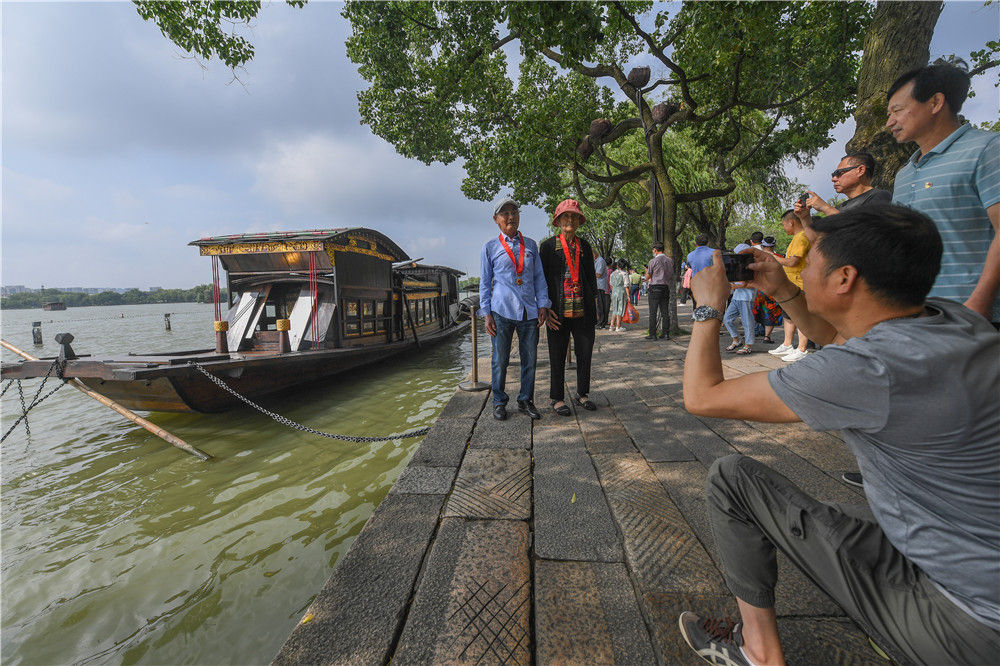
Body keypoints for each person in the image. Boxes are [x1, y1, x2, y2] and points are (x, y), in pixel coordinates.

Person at [679, 205, 1000, 666]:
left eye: (810, 262)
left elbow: (702, 396)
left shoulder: (868, 370)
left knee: (732, 480)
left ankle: (758, 652)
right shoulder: (957, 321)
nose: (800, 268)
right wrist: (784, 290)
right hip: (978, 559)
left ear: (845, 278)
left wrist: (708, 308)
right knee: (840, 512)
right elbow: (840, 336)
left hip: (968, 625)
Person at [886, 60, 999, 326]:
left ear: (936, 102)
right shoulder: (904, 174)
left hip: (974, 319)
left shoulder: (988, 149)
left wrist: (979, 303)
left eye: (897, 110)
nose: (890, 122)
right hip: (917, 317)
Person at [479, 197, 550, 421]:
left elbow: (539, 277)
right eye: (505, 213)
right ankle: (499, 401)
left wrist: (543, 304)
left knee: (530, 358)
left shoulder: (531, 245)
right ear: (496, 219)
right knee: (500, 360)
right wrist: (486, 313)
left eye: (514, 212)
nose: (511, 217)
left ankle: (525, 400)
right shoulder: (490, 247)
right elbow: (485, 283)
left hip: (529, 311)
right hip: (501, 311)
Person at [540, 199, 598, 416]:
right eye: (566, 216)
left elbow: (591, 279)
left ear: (579, 221)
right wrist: (545, 308)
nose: (570, 220)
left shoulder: (585, 246)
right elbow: (541, 280)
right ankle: (557, 398)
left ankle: (582, 393)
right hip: (557, 311)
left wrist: (595, 306)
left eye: (574, 216)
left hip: (583, 310)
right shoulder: (547, 247)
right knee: (556, 356)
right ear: (558, 220)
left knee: (585, 353)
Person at [767, 211, 810, 362]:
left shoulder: (802, 237)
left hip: (800, 284)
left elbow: (793, 262)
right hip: (791, 284)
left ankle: (802, 348)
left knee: (800, 317)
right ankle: (787, 344)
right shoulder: (796, 238)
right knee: (789, 316)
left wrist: (773, 257)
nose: (784, 228)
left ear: (791, 222)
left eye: (784, 224)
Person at [798, 151, 892, 219]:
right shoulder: (839, 208)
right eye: (833, 175)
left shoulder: (880, 196)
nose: (833, 179)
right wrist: (805, 217)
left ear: (860, 170)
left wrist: (825, 208)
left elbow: (866, 231)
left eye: (839, 173)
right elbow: (817, 239)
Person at [722, 243, 756, 355]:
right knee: (727, 319)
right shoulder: (737, 265)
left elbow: (753, 284)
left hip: (746, 298)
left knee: (747, 322)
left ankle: (748, 345)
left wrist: (736, 286)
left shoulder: (753, 266)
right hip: (736, 297)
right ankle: (736, 340)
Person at [752, 237, 783, 343]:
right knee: (771, 312)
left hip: (760, 289)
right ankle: (766, 337)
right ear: (774, 246)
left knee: (757, 310)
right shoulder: (779, 258)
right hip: (773, 289)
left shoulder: (756, 258)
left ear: (762, 246)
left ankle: (753, 332)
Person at [645, 242, 673, 339]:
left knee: (653, 312)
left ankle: (652, 334)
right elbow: (671, 274)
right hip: (665, 287)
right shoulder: (670, 261)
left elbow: (648, 276)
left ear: (655, 250)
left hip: (655, 287)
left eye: (653, 250)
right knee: (665, 312)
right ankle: (666, 333)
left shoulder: (653, 261)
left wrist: (645, 276)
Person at [608, 261, 630, 332]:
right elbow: (626, 286)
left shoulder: (613, 273)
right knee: (620, 309)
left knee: (615, 309)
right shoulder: (625, 274)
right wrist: (628, 295)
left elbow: (611, 284)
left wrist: (614, 291)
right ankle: (618, 326)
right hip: (621, 292)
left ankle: (611, 326)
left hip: (614, 292)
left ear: (617, 266)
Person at [594, 253, 610, 328]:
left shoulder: (600, 261)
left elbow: (598, 274)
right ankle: (602, 321)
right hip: (598, 286)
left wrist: (589, 272)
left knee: (600, 305)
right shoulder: (597, 261)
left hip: (600, 286)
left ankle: (601, 322)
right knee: (600, 305)